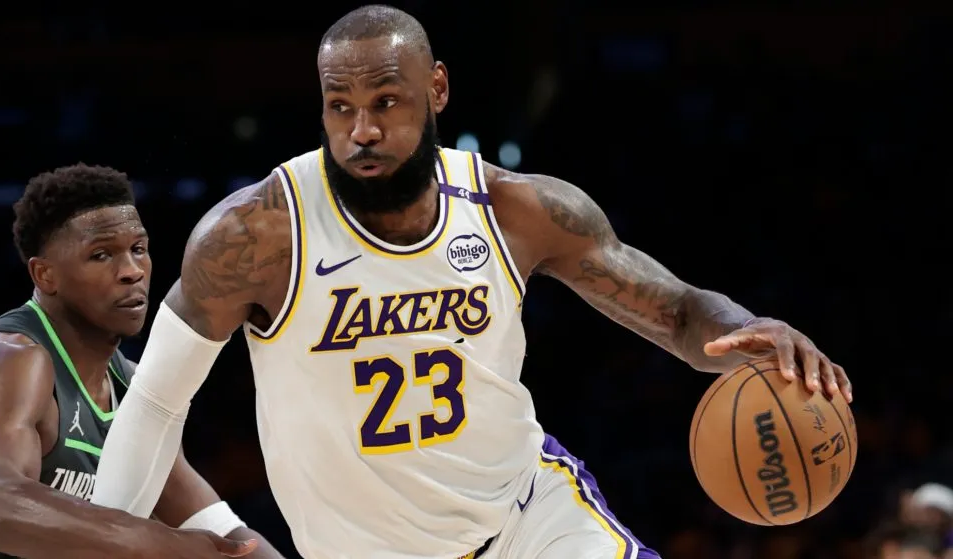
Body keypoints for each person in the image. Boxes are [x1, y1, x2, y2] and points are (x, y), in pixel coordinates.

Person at [91, 5, 854, 559]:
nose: (361, 129)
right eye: (340, 106)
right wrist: (101, 542)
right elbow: (156, 400)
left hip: (530, 521)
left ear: (438, 90)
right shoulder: (257, 235)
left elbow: (682, 312)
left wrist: (755, 332)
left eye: (386, 101)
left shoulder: (516, 210)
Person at [0, 163, 281, 558]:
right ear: (45, 276)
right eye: (101, 255)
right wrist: (161, 544)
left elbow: (217, 529)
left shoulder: (130, 385)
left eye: (138, 249)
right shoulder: (9, 359)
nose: (132, 272)